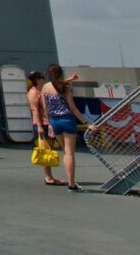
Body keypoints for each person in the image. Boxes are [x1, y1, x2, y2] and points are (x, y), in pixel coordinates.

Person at [40, 63, 89, 192]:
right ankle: (71, 184)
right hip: (67, 120)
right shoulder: (65, 87)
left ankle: (71, 182)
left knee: (65, 152)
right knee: (70, 153)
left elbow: (45, 108)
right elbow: (73, 108)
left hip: (55, 122)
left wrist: (49, 124)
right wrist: (86, 122)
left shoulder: (45, 87)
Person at [26, 70, 64, 186]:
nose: (44, 78)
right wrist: (39, 126)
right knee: (47, 151)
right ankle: (48, 177)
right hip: (43, 124)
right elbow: (35, 110)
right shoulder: (33, 92)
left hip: (50, 122)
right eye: (42, 77)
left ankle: (50, 176)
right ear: (37, 79)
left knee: (50, 149)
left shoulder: (43, 90)